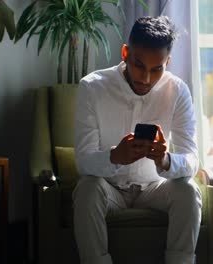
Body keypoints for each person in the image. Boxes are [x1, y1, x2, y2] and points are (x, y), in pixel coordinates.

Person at [72, 16, 201, 264]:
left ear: (168, 62)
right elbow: (83, 161)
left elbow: (192, 160)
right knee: (87, 189)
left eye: (156, 69)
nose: (145, 78)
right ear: (125, 53)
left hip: (155, 188)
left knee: (188, 190)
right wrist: (114, 156)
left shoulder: (178, 90)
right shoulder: (92, 88)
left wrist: (165, 160)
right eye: (139, 65)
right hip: (109, 189)